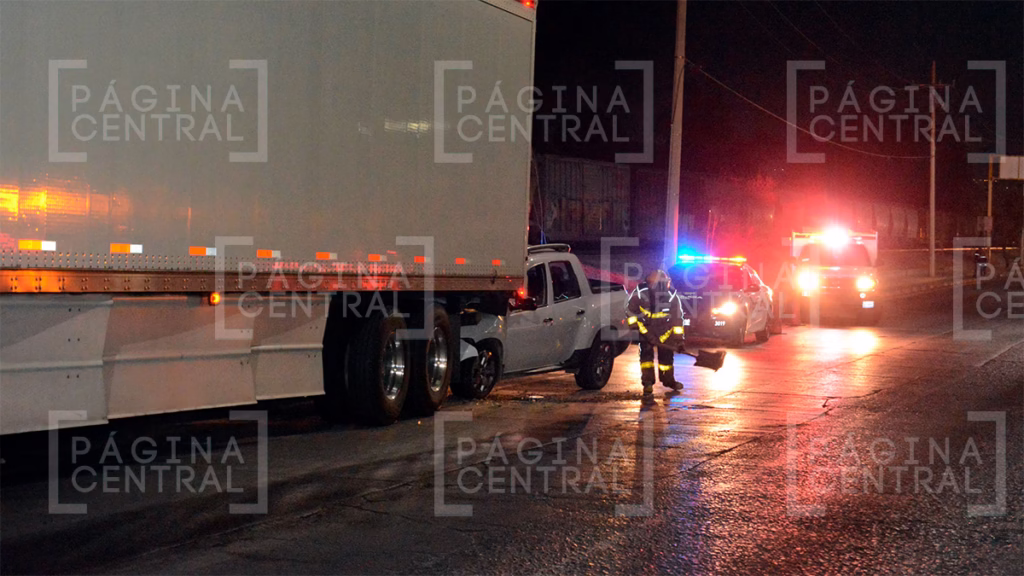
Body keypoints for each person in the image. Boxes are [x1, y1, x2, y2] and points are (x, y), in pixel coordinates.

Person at [626, 269, 685, 394]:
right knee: (646, 360)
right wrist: (635, 327)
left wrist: (679, 340)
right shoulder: (641, 293)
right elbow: (630, 311)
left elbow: (677, 319)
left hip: (665, 334)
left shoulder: (672, 297)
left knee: (667, 360)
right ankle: (647, 383)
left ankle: (668, 381)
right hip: (646, 332)